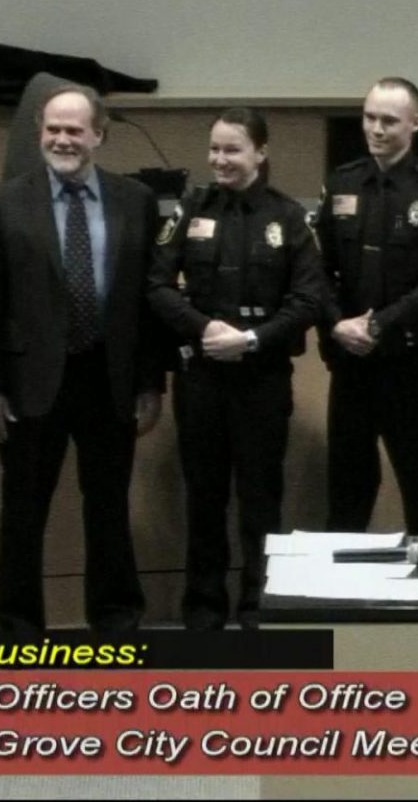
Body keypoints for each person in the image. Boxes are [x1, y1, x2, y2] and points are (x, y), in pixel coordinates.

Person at [0, 84, 166, 633]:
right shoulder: (2, 202)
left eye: (74, 130)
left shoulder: (136, 200)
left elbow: (147, 301)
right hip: (29, 381)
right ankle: (19, 630)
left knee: (109, 509)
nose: (62, 140)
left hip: (110, 377)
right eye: (53, 129)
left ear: (98, 135)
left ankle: (116, 623)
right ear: (39, 132)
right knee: (23, 513)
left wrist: (151, 382)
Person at [148, 108, 325, 629]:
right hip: (201, 376)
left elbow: (308, 299)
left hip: (261, 379)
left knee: (260, 501)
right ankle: (203, 612)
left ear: (260, 153)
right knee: (204, 499)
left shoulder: (288, 218)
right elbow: (156, 284)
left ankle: (257, 608)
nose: (220, 160)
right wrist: (204, 329)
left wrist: (250, 340)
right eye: (215, 149)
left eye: (232, 149)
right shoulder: (191, 209)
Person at [312, 79, 418, 536]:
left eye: (389, 121)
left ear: (416, 123)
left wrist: (379, 324)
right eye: (369, 118)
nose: (376, 129)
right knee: (347, 491)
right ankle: (343, 582)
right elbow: (315, 271)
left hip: (411, 364)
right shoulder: (341, 183)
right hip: (351, 363)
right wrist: (337, 323)